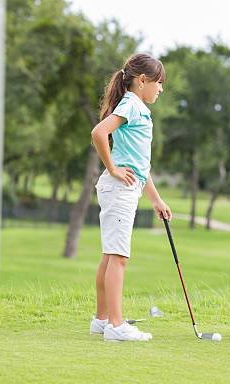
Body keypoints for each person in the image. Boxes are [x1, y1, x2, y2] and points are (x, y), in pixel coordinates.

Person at [89, 53, 172, 342]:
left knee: (110, 255)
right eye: (159, 83)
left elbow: (139, 167)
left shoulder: (136, 107)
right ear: (142, 81)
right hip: (119, 190)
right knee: (119, 258)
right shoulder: (132, 105)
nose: (161, 89)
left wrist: (156, 200)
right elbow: (99, 133)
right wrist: (112, 168)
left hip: (124, 189)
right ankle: (115, 325)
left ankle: (101, 320)